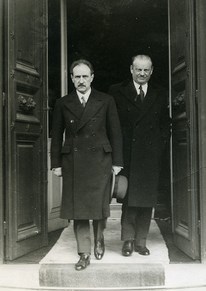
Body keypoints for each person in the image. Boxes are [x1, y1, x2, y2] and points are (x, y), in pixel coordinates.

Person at [50, 59, 123, 270]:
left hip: (100, 159)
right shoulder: (63, 103)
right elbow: (56, 136)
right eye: (77, 77)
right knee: (78, 208)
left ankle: (99, 238)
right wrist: (56, 163)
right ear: (72, 79)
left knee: (99, 206)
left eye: (85, 76)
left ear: (92, 77)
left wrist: (117, 162)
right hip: (73, 161)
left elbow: (115, 132)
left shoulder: (106, 100)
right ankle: (84, 252)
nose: (81, 81)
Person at [109, 54, 171, 257]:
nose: (142, 73)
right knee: (128, 198)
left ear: (151, 71)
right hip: (127, 153)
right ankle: (127, 240)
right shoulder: (117, 91)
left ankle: (140, 242)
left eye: (146, 70)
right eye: (138, 69)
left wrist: (159, 146)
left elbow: (165, 124)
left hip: (150, 155)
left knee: (146, 199)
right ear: (131, 70)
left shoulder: (160, 93)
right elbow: (112, 125)